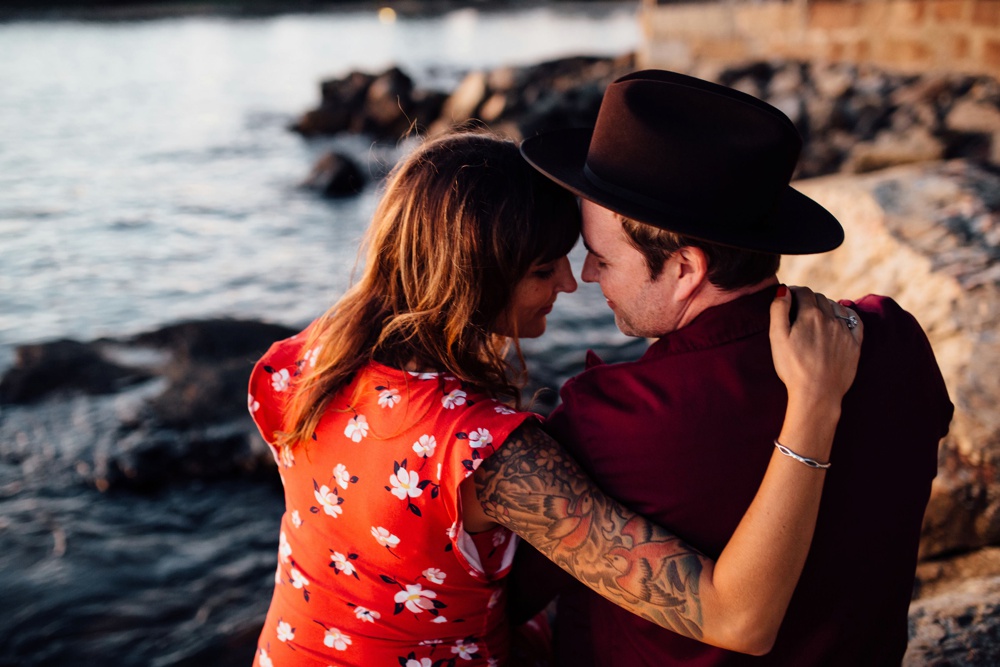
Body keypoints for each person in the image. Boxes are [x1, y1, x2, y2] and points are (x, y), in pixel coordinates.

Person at [246, 130, 861, 667]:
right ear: (474, 274)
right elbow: (737, 620)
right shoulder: (483, 457)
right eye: (545, 270)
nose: (571, 283)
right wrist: (813, 403)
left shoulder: (307, 359)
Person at [516, 69, 954, 665]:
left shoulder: (616, 418)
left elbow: (497, 588)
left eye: (599, 258)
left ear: (685, 269)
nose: (587, 278)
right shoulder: (894, 340)